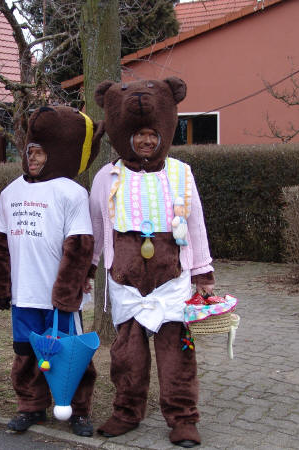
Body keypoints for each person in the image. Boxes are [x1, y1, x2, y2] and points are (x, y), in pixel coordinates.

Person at [89, 78, 215, 448]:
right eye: (138, 135)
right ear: (125, 135)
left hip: (171, 282)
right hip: (125, 284)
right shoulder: (107, 177)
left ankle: (183, 417)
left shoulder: (180, 173)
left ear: (162, 133)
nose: (145, 141)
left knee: (177, 356)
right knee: (127, 356)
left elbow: (196, 224)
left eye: (151, 135)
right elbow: (96, 226)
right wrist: (87, 269)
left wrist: (203, 273)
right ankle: (127, 412)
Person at [0, 106, 105, 437]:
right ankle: (31, 406)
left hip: (58, 299)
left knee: (72, 355)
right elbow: (0, 244)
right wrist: (0, 287)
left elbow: (79, 245)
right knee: (26, 355)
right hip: (23, 295)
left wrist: (67, 293)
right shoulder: (10, 192)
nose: (33, 159)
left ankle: (79, 410)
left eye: (39, 153)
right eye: (30, 152)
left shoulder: (72, 192)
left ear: (54, 154)